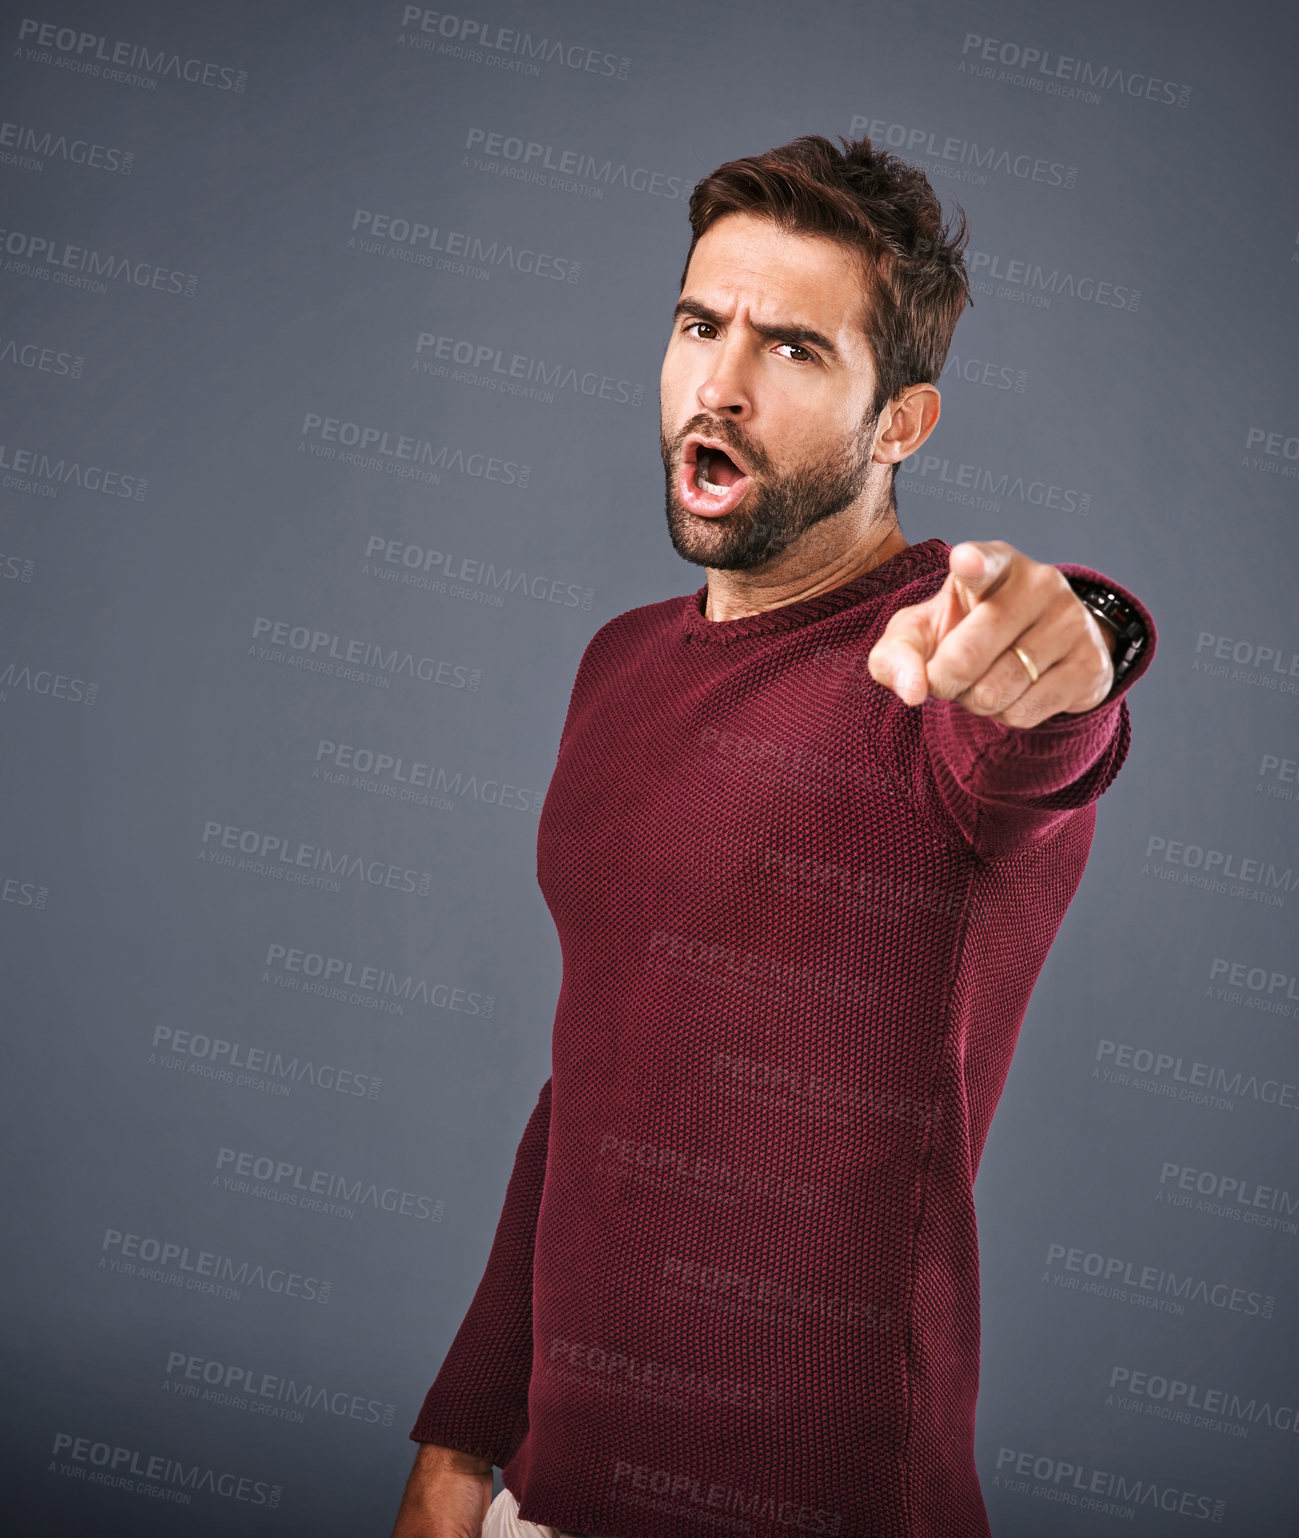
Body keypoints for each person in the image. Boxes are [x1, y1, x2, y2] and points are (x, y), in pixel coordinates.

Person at [388, 134, 1156, 1538]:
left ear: (901, 423)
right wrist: (461, 1439)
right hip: (545, 1502)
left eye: (795, 350)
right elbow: (592, 1081)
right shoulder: (619, 663)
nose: (721, 385)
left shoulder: (930, 672)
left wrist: (1087, 635)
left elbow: (1040, 720)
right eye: (700, 325)